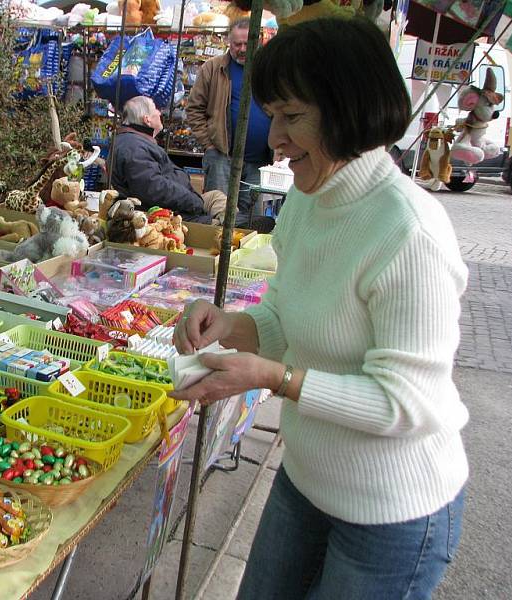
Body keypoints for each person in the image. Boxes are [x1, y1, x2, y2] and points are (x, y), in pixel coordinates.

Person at [172, 17, 468, 599]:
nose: (272, 136)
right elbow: (286, 316)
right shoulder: (308, 200)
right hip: (307, 481)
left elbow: (408, 402)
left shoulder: (409, 233)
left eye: (291, 116)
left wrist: (275, 380)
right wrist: (234, 326)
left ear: (347, 110)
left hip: (392, 511)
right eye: (272, 114)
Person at [187, 18, 272, 228]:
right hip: (222, 157)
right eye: (237, 44)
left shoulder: (269, 70)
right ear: (228, 41)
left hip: (259, 161)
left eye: (247, 44)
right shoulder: (214, 68)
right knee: (220, 216)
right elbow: (194, 108)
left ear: (258, 41)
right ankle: (216, 259)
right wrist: (209, 145)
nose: (242, 49)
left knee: (250, 222)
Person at [110, 96, 227, 225]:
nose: (159, 113)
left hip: (176, 202)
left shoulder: (136, 141)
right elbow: (154, 189)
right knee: (224, 225)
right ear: (147, 119)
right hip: (162, 214)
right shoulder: (134, 147)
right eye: (155, 109)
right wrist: (193, 201)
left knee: (218, 198)